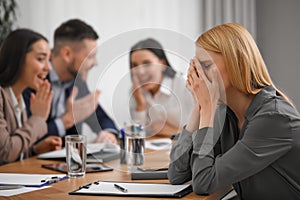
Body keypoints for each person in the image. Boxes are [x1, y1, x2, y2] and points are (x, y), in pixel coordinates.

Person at [168, 23, 300, 199]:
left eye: (205, 66)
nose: (198, 76)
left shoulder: (274, 118)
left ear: (237, 63)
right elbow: (177, 174)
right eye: (195, 68)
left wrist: (207, 108)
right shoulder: (226, 113)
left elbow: (203, 182)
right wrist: (197, 108)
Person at [23, 19, 118, 144]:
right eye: (90, 57)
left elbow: (102, 119)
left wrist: (108, 134)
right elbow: (26, 138)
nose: (95, 63)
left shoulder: (77, 83)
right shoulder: (32, 80)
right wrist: (66, 120)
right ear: (67, 54)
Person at [0, 29, 62, 165]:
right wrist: (38, 118)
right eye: (41, 59)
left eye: (48, 60)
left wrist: (34, 150)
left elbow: (12, 154)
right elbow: (4, 153)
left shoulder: (18, 98)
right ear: (18, 59)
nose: (48, 68)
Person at [129, 38, 193, 137]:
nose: (140, 72)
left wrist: (175, 131)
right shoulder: (137, 92)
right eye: (135, 65)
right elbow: (138, 136)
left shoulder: (185, 85)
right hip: (158, 150)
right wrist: (140, 105)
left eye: (146, 63)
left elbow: (203, 133)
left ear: (162, 64)